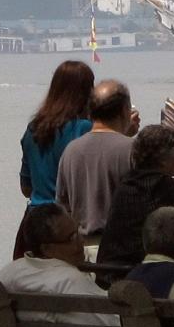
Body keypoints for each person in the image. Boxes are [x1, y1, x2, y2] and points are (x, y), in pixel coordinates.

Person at [0, 203, 120, 327]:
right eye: (71, 238)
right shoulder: (71, 281)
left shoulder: (7, 274)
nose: (81, 241)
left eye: (78, 232)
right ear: (47, 249)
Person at [96, 125, 174, 274]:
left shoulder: (125, 185)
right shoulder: (167, 186)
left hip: (111, 272)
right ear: (163, 159)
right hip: (145, 276)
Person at [15, 60, 96, 258]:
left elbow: (26, 188)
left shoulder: (33, 129)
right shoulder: (84, 128)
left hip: (33, 222)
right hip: (65, 227)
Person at [57, 80, 140, 259]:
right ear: (125, 110)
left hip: (82, 250)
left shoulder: (71, 150)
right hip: (122, 251)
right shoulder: (134, 150)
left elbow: (62, 205)